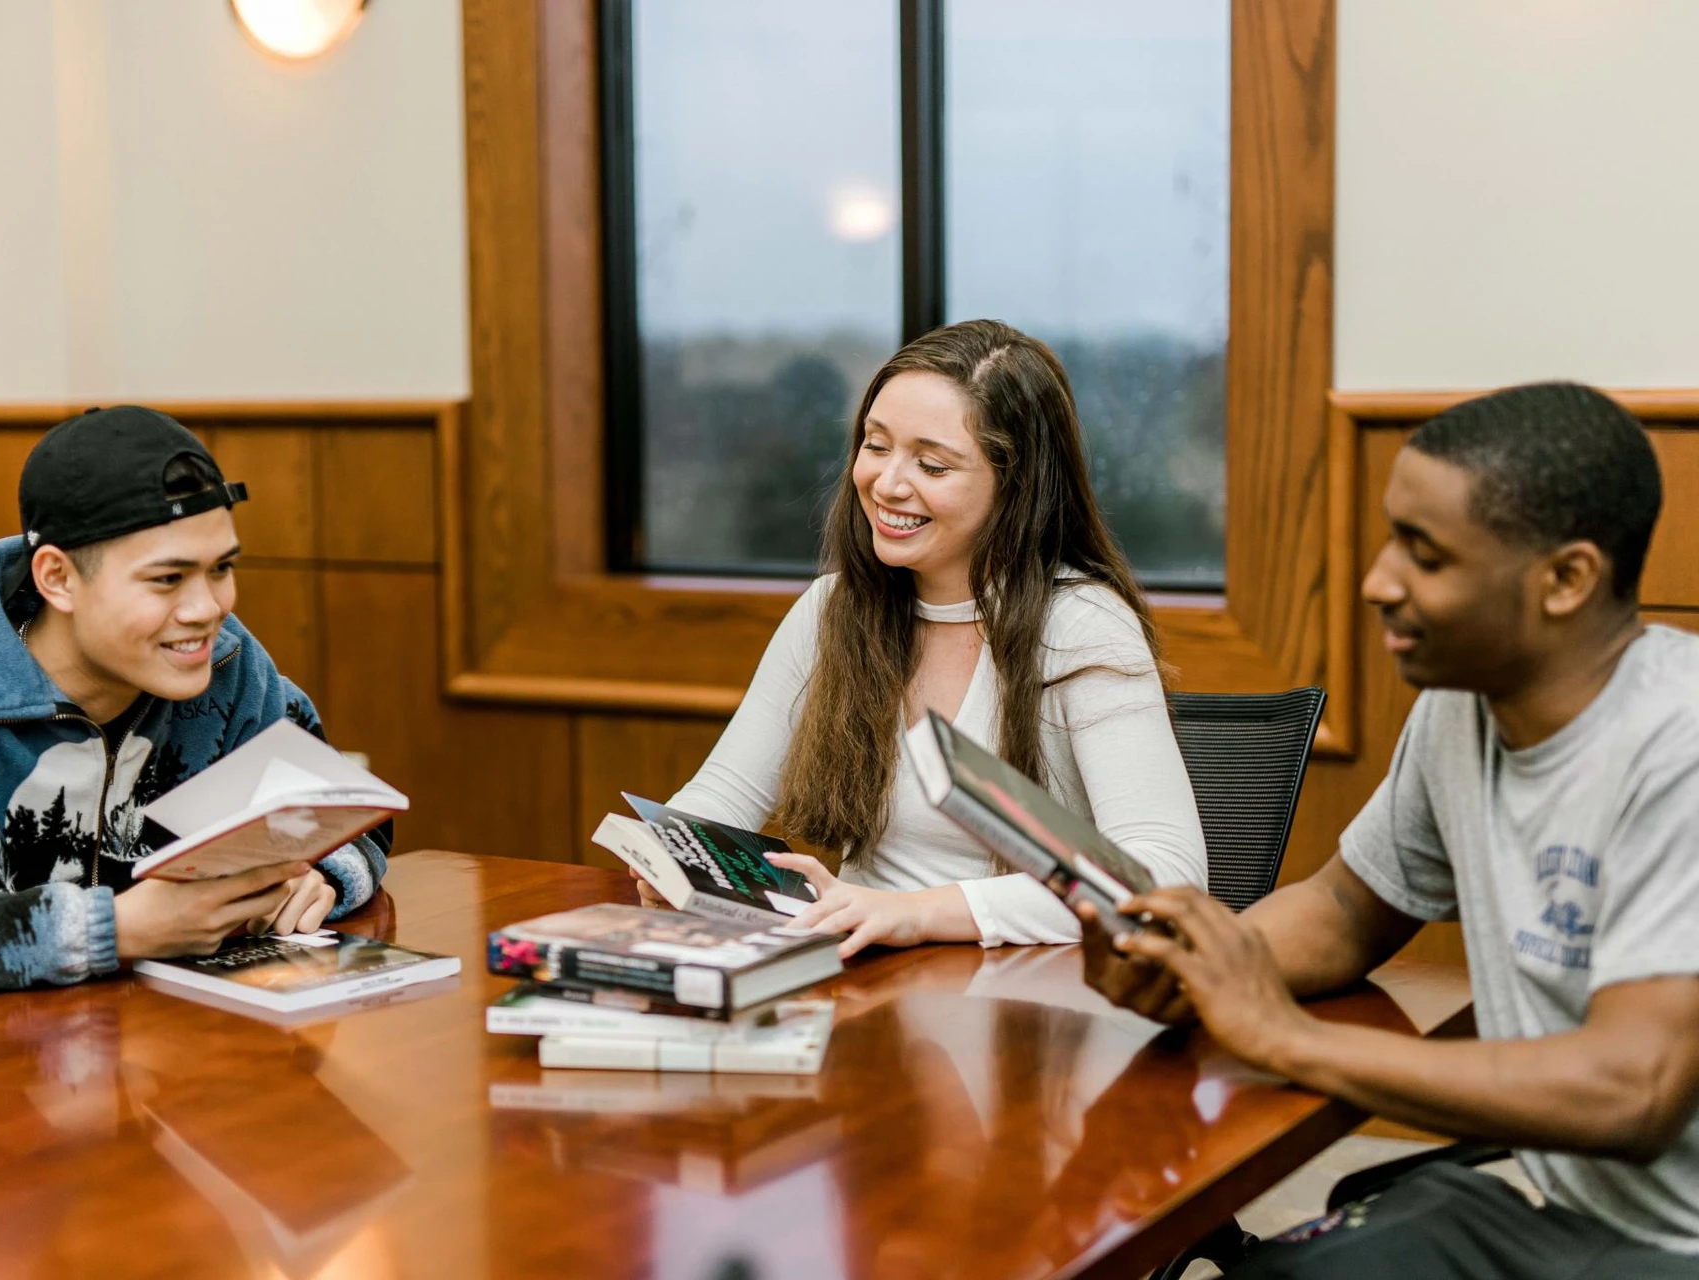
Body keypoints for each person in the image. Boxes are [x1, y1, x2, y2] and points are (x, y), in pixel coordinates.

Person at [1081, 382, 1699, 1273]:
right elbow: (1344, 908)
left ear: (1566, 580)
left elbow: (1635, 1089)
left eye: (1425, 555)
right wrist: (1203, 963)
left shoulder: (1675, 748)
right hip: (1565, 1201)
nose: (1377, 581)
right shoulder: (1461, 710)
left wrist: (1287, 1039)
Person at [0, 406, 388, 1008]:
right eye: (167, 579)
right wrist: (114, 930)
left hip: (147, 1061)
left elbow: (354, 815)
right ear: (58, 579)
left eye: (221, 568)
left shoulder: (229, 667)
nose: (207, 608)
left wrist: (313, 876)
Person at [647, 319, 1206, 956]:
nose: (886, 484)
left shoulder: (1081, 628)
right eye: (876, 446)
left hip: (1026, 1003)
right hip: (863, 982)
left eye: (932, 464)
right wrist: (674, 858)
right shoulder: (835, 608)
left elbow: (1164, 878)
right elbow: (727, 793)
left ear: (1015, 488)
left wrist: (915, 913)